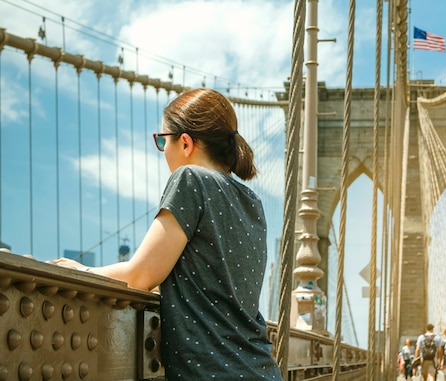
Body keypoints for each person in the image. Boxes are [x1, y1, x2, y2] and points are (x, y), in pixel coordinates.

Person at [53, 88, 283, 380]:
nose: (162, 150)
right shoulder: (252, 201)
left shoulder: (190, 179)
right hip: (261, 369)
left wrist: (82, 270)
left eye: (162, 140)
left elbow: (141, 276)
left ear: (185, 142)